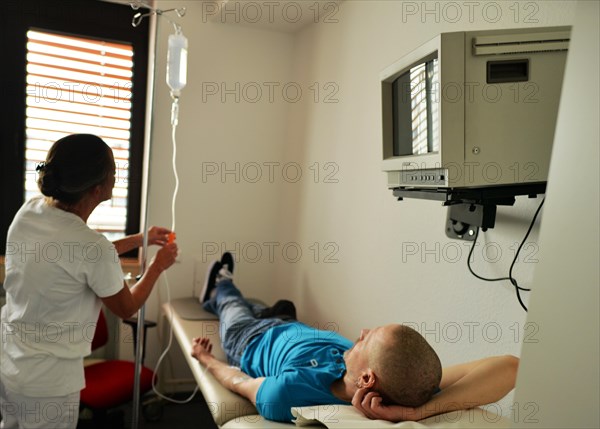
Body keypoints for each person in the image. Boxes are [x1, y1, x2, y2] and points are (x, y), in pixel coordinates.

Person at [191, 254, 518, 423]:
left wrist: (205, 358)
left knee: (232, 303)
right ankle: (247, 302)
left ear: (366, 378)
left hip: (250, 339)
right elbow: (512, 367)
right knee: (266, 305)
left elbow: (237, 382)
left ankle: (220, 284)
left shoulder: (288, 393)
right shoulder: (408, 385)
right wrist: (418, 413)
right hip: (291, 324)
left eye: (366, 339)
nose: (359, 334)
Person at [0, 134, 178, 429]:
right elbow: (126, 307)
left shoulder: (29, 211)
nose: (116, 174)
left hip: (9, 360)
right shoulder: (90, 247)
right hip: (48, 383)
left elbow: (77, 254)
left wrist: (139, 239)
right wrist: (158, 266)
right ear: (98, 189)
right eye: (113, 169)